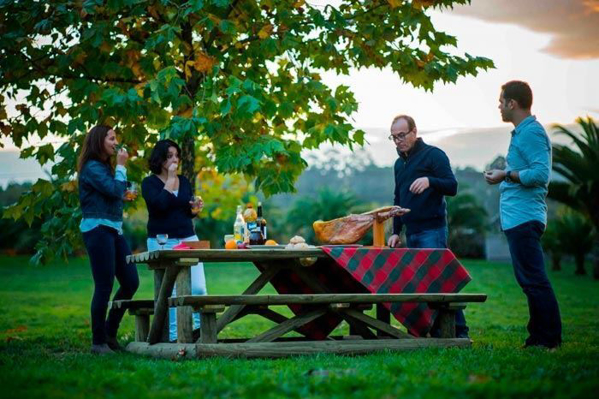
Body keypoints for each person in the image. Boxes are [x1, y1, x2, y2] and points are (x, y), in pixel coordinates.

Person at [484, 80, 562, 349]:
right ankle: (537, 336)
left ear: (512, 103)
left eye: (501, 101)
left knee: (534, 279)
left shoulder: (531, 133)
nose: (499, 106)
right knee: (529, 279)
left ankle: (548, 338)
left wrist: (506, 174)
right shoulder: (522, 133)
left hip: (525, 217)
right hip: (518, 217)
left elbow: (540, 174)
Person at [386, 115, 469, 338]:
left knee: (440, 281)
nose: (398, 141)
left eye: (401, 135)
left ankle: (459, 332)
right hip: (411, 233)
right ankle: (429, 330)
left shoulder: (434, 155)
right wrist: (395, 231)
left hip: (432, 231)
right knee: (419, 285)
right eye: (393, 137)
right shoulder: (398, 164)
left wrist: (430, 181)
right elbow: (398, 198)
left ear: (414, 132)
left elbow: (452, 186)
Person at [78, 125, 140, 354]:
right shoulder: (92, 167)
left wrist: (123, 193)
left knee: (131, 282)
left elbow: (114, 192)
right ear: (99, 141)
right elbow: (114, 190)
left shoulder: (103, 167)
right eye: (112, 138)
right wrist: (122, 168)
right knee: (104, 286)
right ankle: (98, 342)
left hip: (113, 229)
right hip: (97, 229)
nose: (116, 143)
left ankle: (109, 333)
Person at [141, 139, 207, 342]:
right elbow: (159, 206)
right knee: (171, 292)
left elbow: (184, 211)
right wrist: (170, 179)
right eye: (169, 156)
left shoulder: (184, 181)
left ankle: (197, 332)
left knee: (198, 289)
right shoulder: (149, 183)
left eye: (176, 155)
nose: (175, 159)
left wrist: (194, 209)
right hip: (163, 241)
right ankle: (173, 337)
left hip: (188, 238)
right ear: (160, 159)